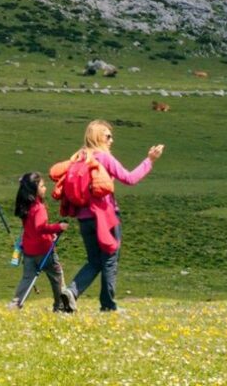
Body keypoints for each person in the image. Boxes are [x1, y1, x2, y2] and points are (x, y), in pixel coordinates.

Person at [53, 120, 163, 312]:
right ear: (97, 137)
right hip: (105, 217)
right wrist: (150, 161)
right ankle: (108, 305)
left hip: (84, 218)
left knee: (94, 261)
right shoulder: (104, 158)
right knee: (110, 259)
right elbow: (129, 179)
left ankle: (71, 292)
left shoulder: (79, 157)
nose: (111, 140)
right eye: (108, 136)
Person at [8, 172, 73, 311]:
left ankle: (16, 303)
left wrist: (52, 233)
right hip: (45, 251)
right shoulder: (39, 208)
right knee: (57, 277)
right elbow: (40, 227)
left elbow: (32, 228)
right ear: (34, 189)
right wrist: (58, 227)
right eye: (42, 186)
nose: (45, 189)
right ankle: (60, 305)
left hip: (29, 252)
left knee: (27, 279)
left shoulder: (25, 207)